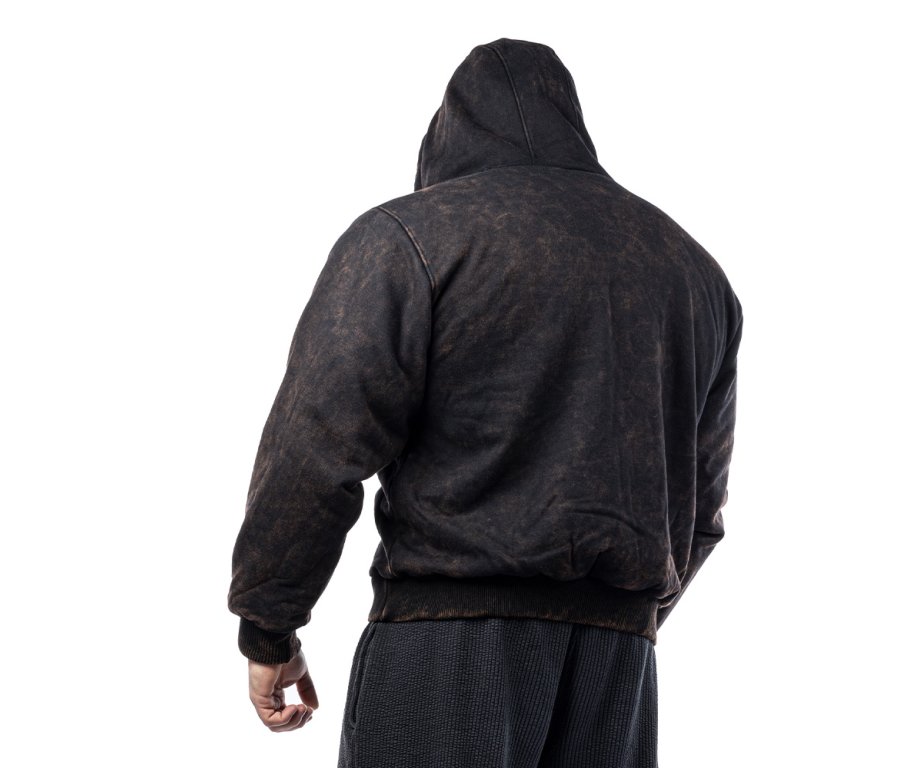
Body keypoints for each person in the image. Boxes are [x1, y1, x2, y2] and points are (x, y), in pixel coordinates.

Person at [228, 37, 743, 767]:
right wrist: (617, 615)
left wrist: (269, 626)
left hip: (445, 648)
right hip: (617, 668)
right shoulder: (694, 274)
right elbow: (702, 509)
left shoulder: (411, 238)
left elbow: (316, 444)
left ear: (449, 133)